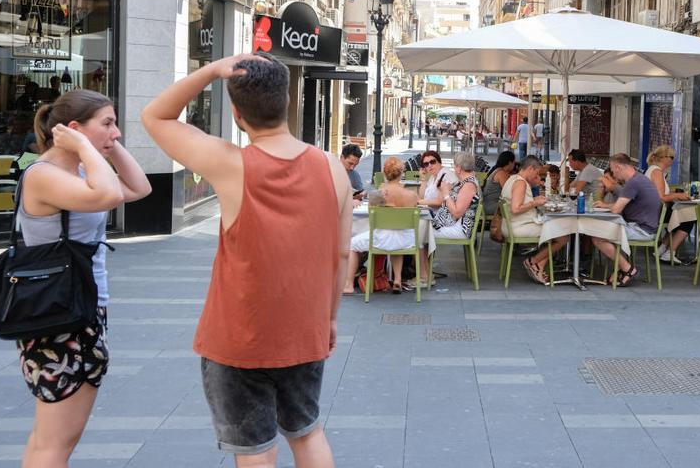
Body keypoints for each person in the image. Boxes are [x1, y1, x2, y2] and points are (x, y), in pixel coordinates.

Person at [141, 53, 350, 468]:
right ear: (287, 101)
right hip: (304, 330)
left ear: (237, 115)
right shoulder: (331, 167)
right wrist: (327, 319)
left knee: (256, 450)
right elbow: (341, 255)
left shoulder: (231, 163)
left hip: (240, 338)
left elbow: (156, 117)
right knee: (307, 432)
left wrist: (211, 70)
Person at [17, 90, 151, 467]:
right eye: (107, 123)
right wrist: (86, 147)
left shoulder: (77, 172)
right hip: (57, 317)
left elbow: (140, 188)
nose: (117, 132)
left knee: (53, 439)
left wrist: (104, 146)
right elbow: (108, 194)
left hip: (80, 309)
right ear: (74, 129)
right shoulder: (44, 175)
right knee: (54, 442)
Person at [344, 157, 418, 294]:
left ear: (385, 173)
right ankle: (397, 280)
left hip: (381, 240)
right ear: (401, 173)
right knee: (397, 239)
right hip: (405, 241)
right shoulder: (412, 196)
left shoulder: (376, 195)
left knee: (352, 244)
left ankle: (348, 285)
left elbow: (371, 212)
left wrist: (381, 193)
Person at [411, 152, 480, 288]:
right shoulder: (466, 182)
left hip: (460, 229)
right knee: (421, 227)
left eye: (455, 166)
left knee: (418, 232)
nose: (454, 169)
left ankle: (424, 277)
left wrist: (446, 194)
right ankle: (425, 273)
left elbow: (457, 212)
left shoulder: (469, 185)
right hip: (452, 224)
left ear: (459, 168)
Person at [592, 153, 661, 286]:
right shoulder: (639, 179)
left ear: (618, 167)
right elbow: (623, 205)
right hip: (643, 226)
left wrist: (605, 206)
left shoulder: (633, 183)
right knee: (602, 230)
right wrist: (605, 205)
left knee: (597, 237)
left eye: (612, 170)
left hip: (641, 230)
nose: (614, 174)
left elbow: (616, 210)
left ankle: (627, 269)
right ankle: (620, 269)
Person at [501, 155, 570, 285]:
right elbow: (516, 208)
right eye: (537, 173)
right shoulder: (521, 183)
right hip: (519, 227)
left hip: (509, 225)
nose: (537, 176)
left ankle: (538, 265)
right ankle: (533, 262)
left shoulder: (512, 179)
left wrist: (534, 200)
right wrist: (534, 202)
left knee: (554, 231)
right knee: (563, 236)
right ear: (531, 169)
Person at [645, 145, 693, 263]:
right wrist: (679, 196)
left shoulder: (655, 170)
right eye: (671, 157)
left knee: (682, 217)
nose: (673, 160)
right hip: (656, 211)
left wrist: (674, 193)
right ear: (663, 158)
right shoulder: (656, 172)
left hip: (654, 209)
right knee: (690, 217)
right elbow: (661, 196)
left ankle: (662, 249)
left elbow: (661, 191)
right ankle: (669, 252)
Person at [482, 150, 516, 216]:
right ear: (510, 163)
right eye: (514, 163)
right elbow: (509, 192)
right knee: (517, 207)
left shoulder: (498, 170)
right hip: (491, 206)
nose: (514, 165)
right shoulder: (501, 173)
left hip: (488, 204)